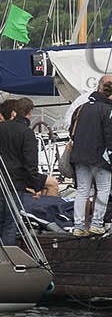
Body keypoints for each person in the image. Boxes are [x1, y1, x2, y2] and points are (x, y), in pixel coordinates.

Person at [0, 97, 48, 246]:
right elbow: (30, 162)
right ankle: (8, 255)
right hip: (16, 181)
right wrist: (36, 185)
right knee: (10, 220)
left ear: (14, 112)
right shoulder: (26, 133)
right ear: (29, 113)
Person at [68, 75, 112, 236]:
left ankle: (78, 226)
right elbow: (110, 136)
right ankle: (97, 223)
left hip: (80, 155)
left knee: (82, 190)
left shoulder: (82, 107)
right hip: (100, 157)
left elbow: (71, 130)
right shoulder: (108, 110)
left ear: (99, 88)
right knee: (103, 189)